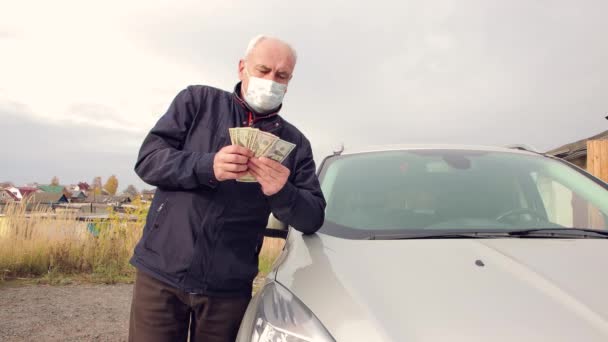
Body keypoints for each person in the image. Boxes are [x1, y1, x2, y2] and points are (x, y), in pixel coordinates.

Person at [128, 35, 326, 342]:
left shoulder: (295, 144)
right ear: (242, 67)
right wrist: (207, 165)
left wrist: (282, 191)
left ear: (290, 81)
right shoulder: (196, 101)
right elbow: (148, 161)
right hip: (161, 273)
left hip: (228, 288)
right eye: (263, 70)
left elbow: (312, 217)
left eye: (281, 75)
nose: (271, 80)